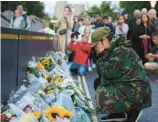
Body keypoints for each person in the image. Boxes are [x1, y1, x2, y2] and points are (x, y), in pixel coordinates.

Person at [91, 27, 151, 122]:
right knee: (98, 82)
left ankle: (133, 111)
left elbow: (107, 73)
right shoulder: (114, 48)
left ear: (105, 40)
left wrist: (102, 54)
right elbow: (102, 74)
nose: (95, 48)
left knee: (102, 89)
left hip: (137, 91)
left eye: (96, 45)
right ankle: (119, 114)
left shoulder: (120, 50)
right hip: (132, 85)